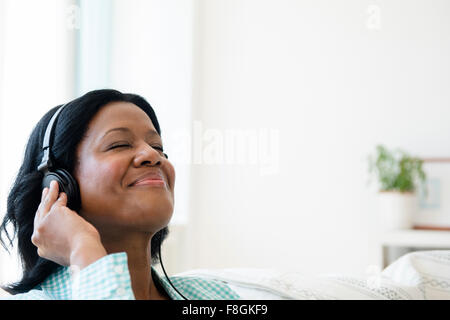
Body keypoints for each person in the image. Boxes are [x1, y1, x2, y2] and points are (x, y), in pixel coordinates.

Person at [0, 89, 240, 300]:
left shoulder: (211, 295)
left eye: (158, 147)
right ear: (58, 184)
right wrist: (83, 249)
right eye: (119, 144)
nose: (152, 155)